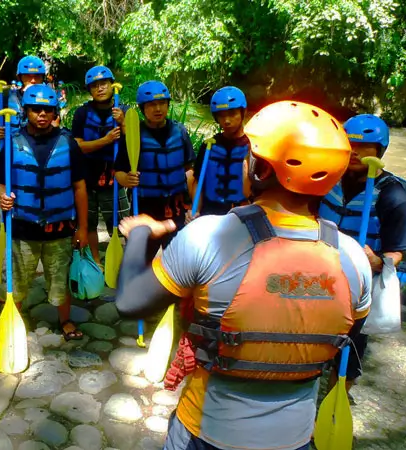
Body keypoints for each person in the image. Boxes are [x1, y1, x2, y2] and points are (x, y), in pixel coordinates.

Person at [115, 101, 373, 450]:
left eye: (249, 155)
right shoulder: (354, 259)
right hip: (294, 439)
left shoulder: (209, 237)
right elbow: (345, 329)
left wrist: (142, 234)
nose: (242, 161)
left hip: (205, 433)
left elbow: (130, 302)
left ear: (261, 170)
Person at [318, 113, 406, 399]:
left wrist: (377, 262)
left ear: (379, 151)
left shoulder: (392, 194)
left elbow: (397, 251)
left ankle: (334, 401)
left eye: (365, 147)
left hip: (358, 285)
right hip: (321, 275)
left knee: (349, 350)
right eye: (351, 145)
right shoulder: (327, 178)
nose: (356, 153)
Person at [0, 84, 87, 341]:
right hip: (22, 228)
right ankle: (11, 319)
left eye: (47, 109)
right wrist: (2, 197)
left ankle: (65, 320)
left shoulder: (68, 143)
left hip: (59, 229)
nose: (41, 114)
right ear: (26, 111)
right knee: (16, 282)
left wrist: (83, 228)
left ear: (55, 112)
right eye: (36, 109)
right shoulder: (13, 144)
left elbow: (79, 188)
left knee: (60, 281)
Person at [114, 80, 195, 262]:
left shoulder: (179, 131)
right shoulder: (134, 135)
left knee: (178, 261)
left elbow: (189, 170)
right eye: (151, 105)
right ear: (143, 109)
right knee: (139, 262)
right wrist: (126, 179)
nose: (158, 109)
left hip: (176, 207)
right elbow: (118, 171)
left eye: (162, 103)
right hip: (145, 208)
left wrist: (190, 204)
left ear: (167, 105)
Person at [70, 65, 130, 266]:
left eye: (104, 83)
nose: (100, 88)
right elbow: (77, 146)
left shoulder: (125, 111)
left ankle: (127, 261)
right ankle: (96, 261)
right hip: (88, 175)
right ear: (90, 90)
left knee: (124, 224)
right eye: (95, 86)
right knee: (90, 223)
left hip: (115, 174)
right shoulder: (81, 113)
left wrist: (123, 124)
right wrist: (105, 141)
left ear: (112, 85)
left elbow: (135, 142)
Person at [189, 86, 250, 219]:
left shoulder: (253, 147)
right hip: (210, 212)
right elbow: (199, 182)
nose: (227, 120)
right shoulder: (209, 145)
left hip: (240, 214)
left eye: (232, 113)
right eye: (221, 115)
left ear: (243, 112)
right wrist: (195, 212)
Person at [0, 55, 47, 141]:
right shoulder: (7, 100)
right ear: (19, 77)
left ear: (43, 77)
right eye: (28, 76)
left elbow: (55, 127)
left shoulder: (50, 100)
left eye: (37, 76)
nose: (33, 80)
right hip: (14, 148)